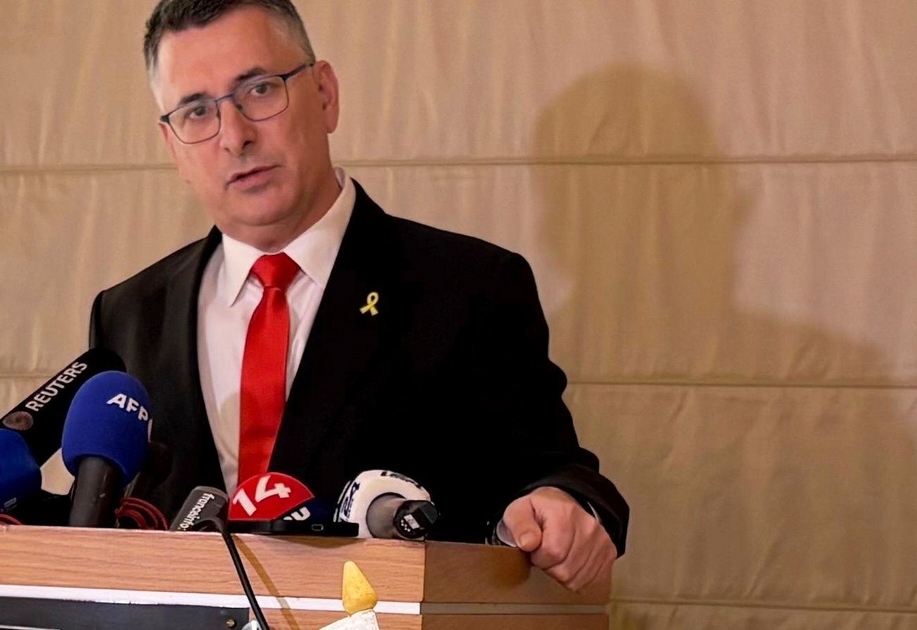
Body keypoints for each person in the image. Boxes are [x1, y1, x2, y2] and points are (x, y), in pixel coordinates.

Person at [89, 0, 628, 591]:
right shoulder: (129, 314)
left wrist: (563, 504)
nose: (236, 137)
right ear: (173, 146)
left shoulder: (469, 287)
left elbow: (554, 476)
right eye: (197, 111)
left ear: (325, 95)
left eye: (260, 90)